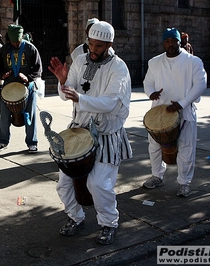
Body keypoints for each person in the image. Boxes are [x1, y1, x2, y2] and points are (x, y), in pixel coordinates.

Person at [48, 21, 133, 244]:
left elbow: (110, 102)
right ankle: (75, 217)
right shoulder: (80, 60)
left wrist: (80, 98)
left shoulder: (119, 68)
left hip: (106, 133)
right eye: (91, 44)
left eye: (98, 46)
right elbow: (67, 93)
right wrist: (63, 81)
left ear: (109, 44)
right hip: (79, 131)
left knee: (99, 185)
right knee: (64, 184)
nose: (93, 50)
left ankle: (109, 223)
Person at [142, 28, 207, 197]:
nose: (170, 44)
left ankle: (184, 183)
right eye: (167, 41)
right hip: (159, 114)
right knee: (154, 148)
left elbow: (201, 84)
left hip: (184, 113)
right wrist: (151, 93)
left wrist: (182, 103)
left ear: (180, 41)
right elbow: (147, 82)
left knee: (186, 149)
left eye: (173, 40)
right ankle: (157, 176)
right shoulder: (154, 62)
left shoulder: (193, 62)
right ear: (163, 43)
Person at [0, 24, 42, 153]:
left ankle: (32, 142)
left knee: (30, 116)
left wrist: (28, 77)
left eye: (18, 41)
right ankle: (3, 141)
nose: (15, 44)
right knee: (4, 115)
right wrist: (2, 75)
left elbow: (38, 69)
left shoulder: (30, 49)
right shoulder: (4, 50)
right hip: (8, 88)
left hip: (27, 88)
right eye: (13, 41)